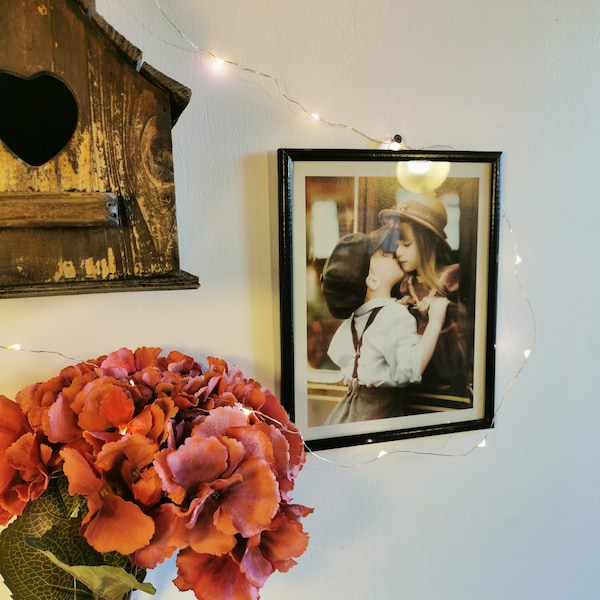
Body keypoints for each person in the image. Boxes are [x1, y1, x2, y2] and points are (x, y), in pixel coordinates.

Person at [320, 227, 449, 424]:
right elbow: (410, 370)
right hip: (378, 414)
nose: (394, 253)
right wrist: (436, 321)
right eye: (383, 254)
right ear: (372, 280)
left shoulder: (358, 319)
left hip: (351, 409)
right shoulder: (393, 315)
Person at [379, 192, 466, 392]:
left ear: (428, 243)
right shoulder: (407, 284)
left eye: (406, 244)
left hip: (446, 378)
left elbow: (462, 320)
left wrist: (441, 309)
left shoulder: (449, 279)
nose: (398, 252)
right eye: (397, 244)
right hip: (415, 378)